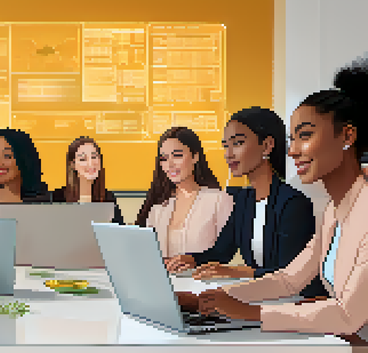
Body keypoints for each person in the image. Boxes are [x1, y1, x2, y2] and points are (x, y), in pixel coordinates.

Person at [197, 57, 368, 345]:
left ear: (347, 135)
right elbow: (288, 279)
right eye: (292, 139)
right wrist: (222, 297)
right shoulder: (334, 211)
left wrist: (252, 313)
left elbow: (348, 315)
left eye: (305, 136)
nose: (292, 151)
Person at [164, 107, 327, 299]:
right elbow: (222, 251)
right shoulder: (243, 200)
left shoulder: (293, 203)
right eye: (225, 146)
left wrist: (242, 272)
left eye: (238, 143)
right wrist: (191, 259)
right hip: (262, 295)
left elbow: (290, 274)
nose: (228, 154)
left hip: (295, 301)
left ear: (266, 146)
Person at [135, 126, 234, 259]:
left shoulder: (218, 200)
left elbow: (226, 252)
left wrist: (197, 261)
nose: (170, 164)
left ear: (195, 157)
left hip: (203, 279)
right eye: (164, 159)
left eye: (177, 156)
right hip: (163, 279)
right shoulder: (158, 207)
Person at [51, 136, 123, 224]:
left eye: (94, 157)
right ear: (73, 165)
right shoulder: (58, 197)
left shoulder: (108, 198)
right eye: (83, 159)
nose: (90, 163)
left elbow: (118, 232)